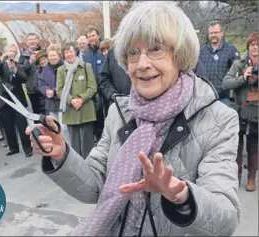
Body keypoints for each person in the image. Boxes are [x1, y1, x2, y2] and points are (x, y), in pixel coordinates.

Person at [28, 2, 240, 236]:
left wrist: (181, 197)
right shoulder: (120, 112)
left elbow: (226, 220)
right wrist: (61, 155)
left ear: (180, 56)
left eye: (155, 49)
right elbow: (95, 187)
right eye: (133, 52)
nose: (142, 64)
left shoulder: (219, 120)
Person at [222, 32, 258, 191]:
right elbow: (225, 84)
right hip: (239, 110)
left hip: (256, 112)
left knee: (253, 147)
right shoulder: (239, 64)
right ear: (248, 47)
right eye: (252, 45)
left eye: (257, 45)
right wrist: (243, 78)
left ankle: (251, 179)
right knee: (237, 146)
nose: (255, 47)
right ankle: (235, 178)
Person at [56, 42, 97, 159]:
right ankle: (78, 165)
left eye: (71, 51)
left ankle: (90, 165)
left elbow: (92, 87)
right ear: (64, 55)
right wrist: (71, 100)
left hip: (86, 108)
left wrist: (81, 99)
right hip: (70, 110)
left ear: (76, 52)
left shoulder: (86, 66)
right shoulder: (60, 70)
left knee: (88, 141)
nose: (69, 54)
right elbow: (59, 90)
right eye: (66, 52)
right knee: (74, 143)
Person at [0, 45, 33, 157]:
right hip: (5, 100)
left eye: (14, 52)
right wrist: (3, 58)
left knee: (22, 125)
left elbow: (24, 78)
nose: (11, 53)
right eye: (10, 51)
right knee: (8, 126)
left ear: (16, 54)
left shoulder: (19, 65)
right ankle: (13, 147)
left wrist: (14, 68)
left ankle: (27, 148)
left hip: (18, 99)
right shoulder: (2, 65)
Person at [199, 21, 240, 104]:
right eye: (211, 33)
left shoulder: (231, 50)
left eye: (216, 32)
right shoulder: (201, 50)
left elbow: (238, 72)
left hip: (224, 98)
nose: (213, 35)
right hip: (205, 98)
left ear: (222, 33)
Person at [82, 26, 106, 143]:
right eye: (89, 36)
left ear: (97, 35)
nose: (91, 38)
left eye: (93, 35)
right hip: (92, 86)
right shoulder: (85, 52)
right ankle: (99, 133)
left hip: (105, 83)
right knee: (96, 110)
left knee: (108, 108)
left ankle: (108, 133)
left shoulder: (104, 47)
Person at [37, 44, 67, 136]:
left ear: (59, 55)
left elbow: (67, 85)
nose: (52, 58)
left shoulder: (65, 67)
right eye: (50, 55)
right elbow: (41, 83)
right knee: (55, 128)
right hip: (51, 104)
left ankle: (69, 148)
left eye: (54, 55)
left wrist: (53, 92)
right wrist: (46, 91)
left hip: (63, 104)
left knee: (65, 129)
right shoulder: (46, 69)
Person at [18, 33, 46, 115]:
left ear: (37, 40)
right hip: (32, 89)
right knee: (36, 113)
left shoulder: (44, 51)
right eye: (30, 39)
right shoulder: (23, 55)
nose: (32, 41)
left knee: (47, 112)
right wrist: (29, 62)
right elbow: (20, 71)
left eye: (34, 39)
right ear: (27, 42)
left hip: (45, 86)